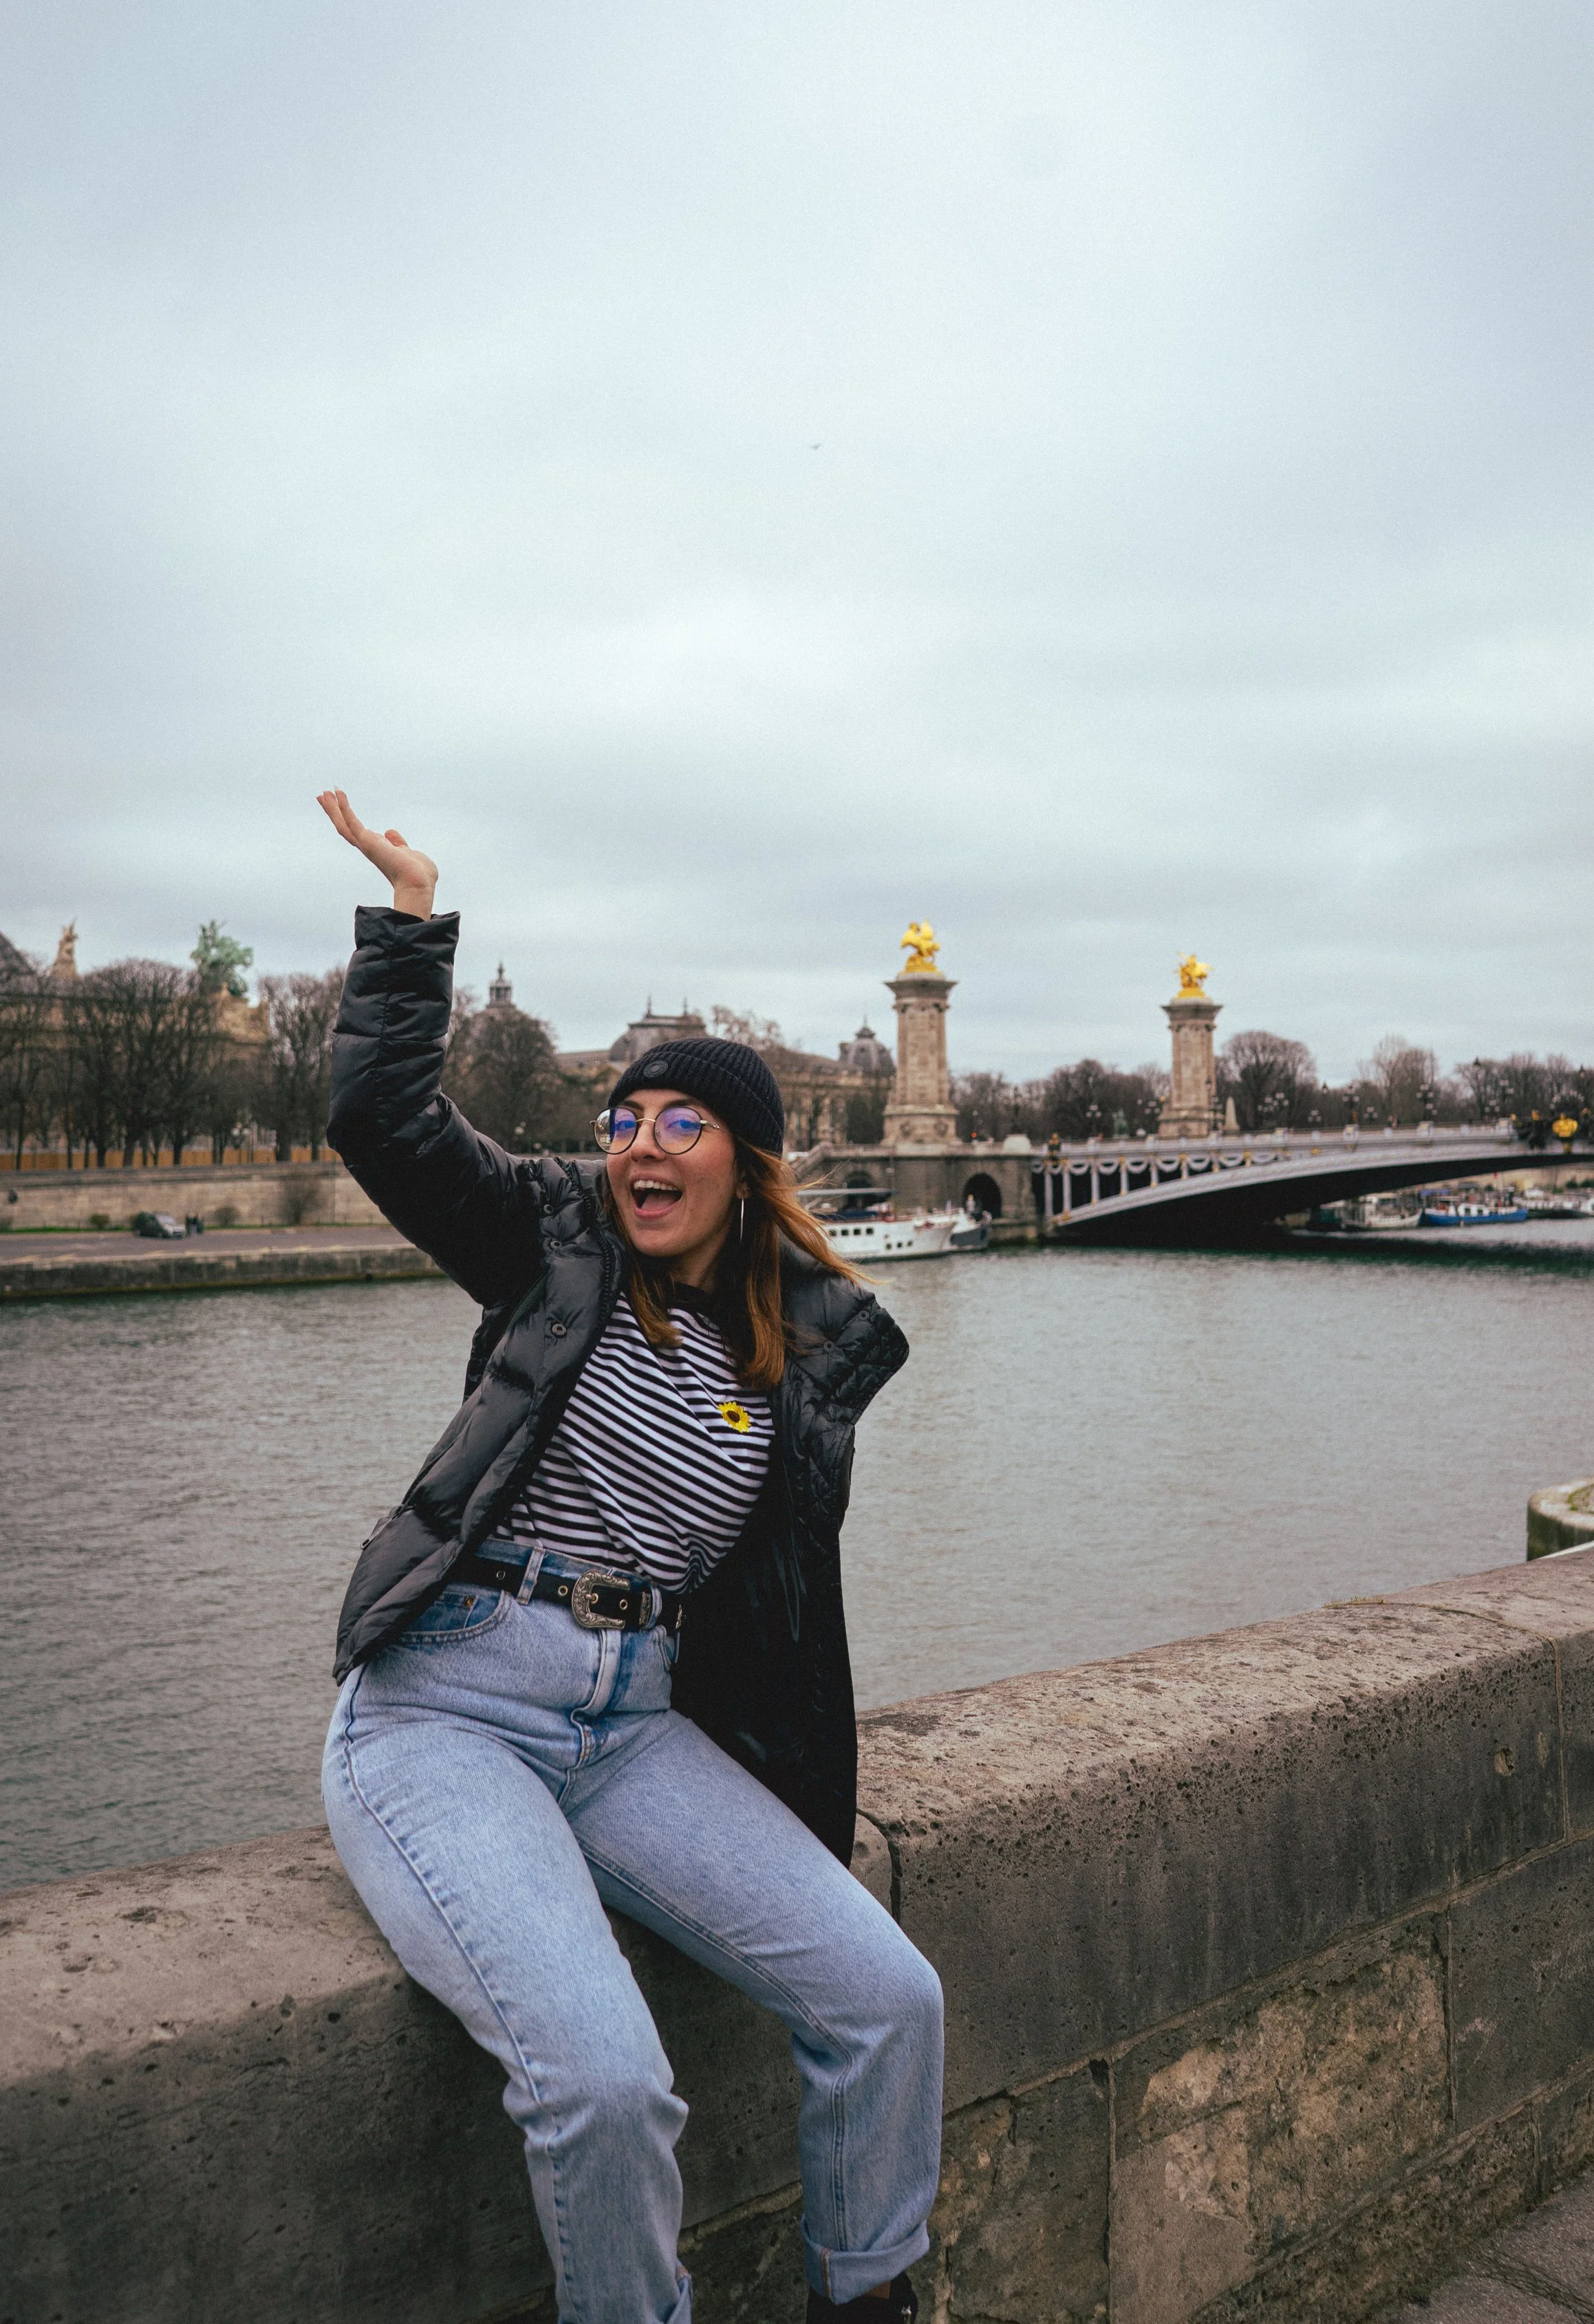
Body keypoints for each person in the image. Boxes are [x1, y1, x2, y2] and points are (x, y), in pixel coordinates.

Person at [314, 791, 943, 2324]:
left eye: (680, 1122)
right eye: (622, 1118)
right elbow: (383, 1122)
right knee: (604, 2085)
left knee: (891, 2001)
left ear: (746, 1157)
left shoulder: (802, 1350)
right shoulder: (552, 1241)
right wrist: (409, 919)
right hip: (450, 1709)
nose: (638, 1143)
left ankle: (867, 2301)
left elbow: (782, 1600)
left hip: (634, 1723)